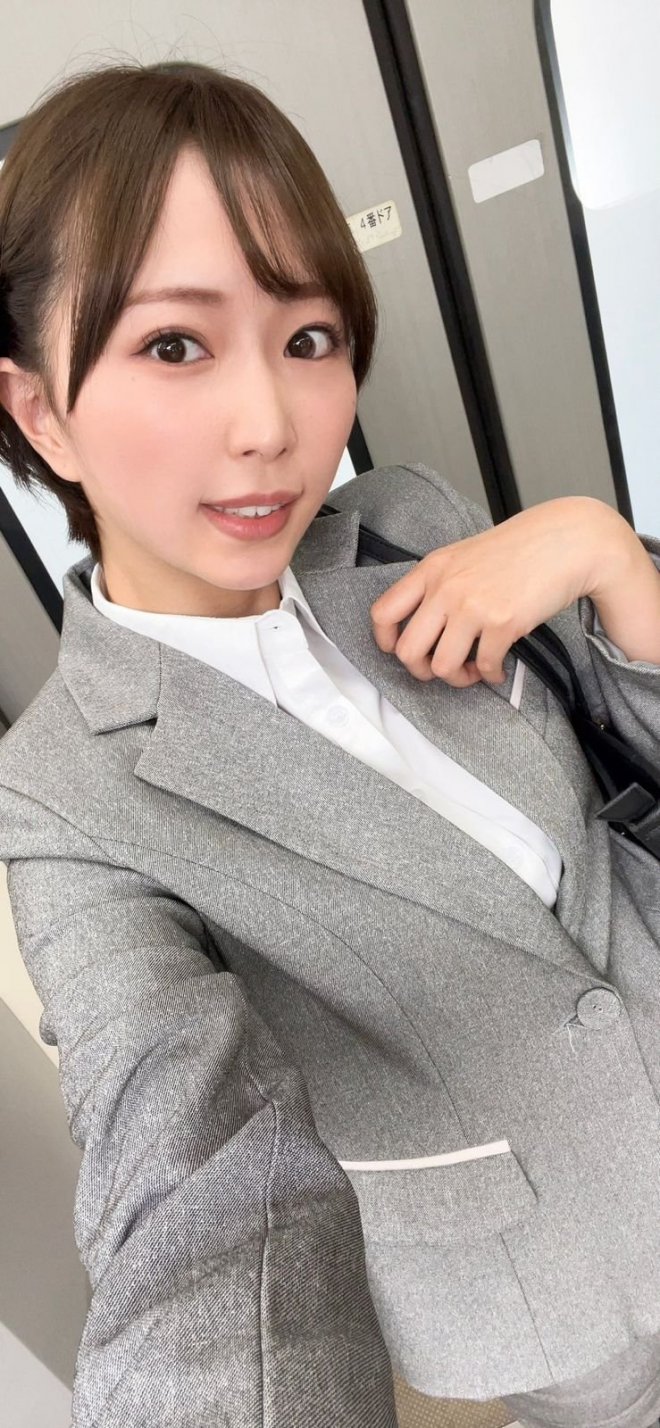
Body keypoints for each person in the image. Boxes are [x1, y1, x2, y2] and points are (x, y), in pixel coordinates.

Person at [0, 57, 660, 1428]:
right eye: (174, 345)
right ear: (42, 412)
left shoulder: (406, 521)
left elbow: (630, 766)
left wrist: (608, 554)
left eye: (308, 339)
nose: (272, 428)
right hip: (561, 1297)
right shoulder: (63, 793)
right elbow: (180, 1168)